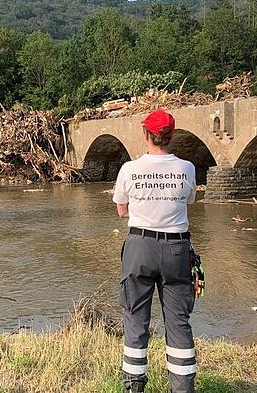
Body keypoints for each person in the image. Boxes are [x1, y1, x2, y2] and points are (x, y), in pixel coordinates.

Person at [112, 109, 198, 393]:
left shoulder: (129, 169)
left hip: (140, 246)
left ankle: (134, 388)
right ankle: (183, 389)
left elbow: (121, 210)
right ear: (170, 136)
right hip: (176, 248)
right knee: (178, 321)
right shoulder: (186, 168)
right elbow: (188, 201)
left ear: (145, 134)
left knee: (136, 319)